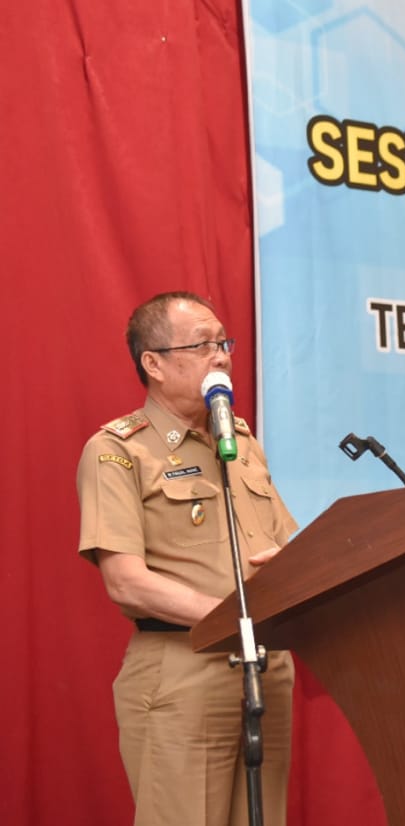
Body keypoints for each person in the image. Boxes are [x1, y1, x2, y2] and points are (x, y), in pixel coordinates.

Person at [76, 291, 297, 826]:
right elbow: (127, 583)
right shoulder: (119, 450)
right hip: (182, 670)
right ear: (153, 364)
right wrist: (234, 620)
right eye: (201, 345)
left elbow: (287, 547)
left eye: (224, 343)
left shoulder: (240, 442)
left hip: (265, 669)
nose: (220, 356)